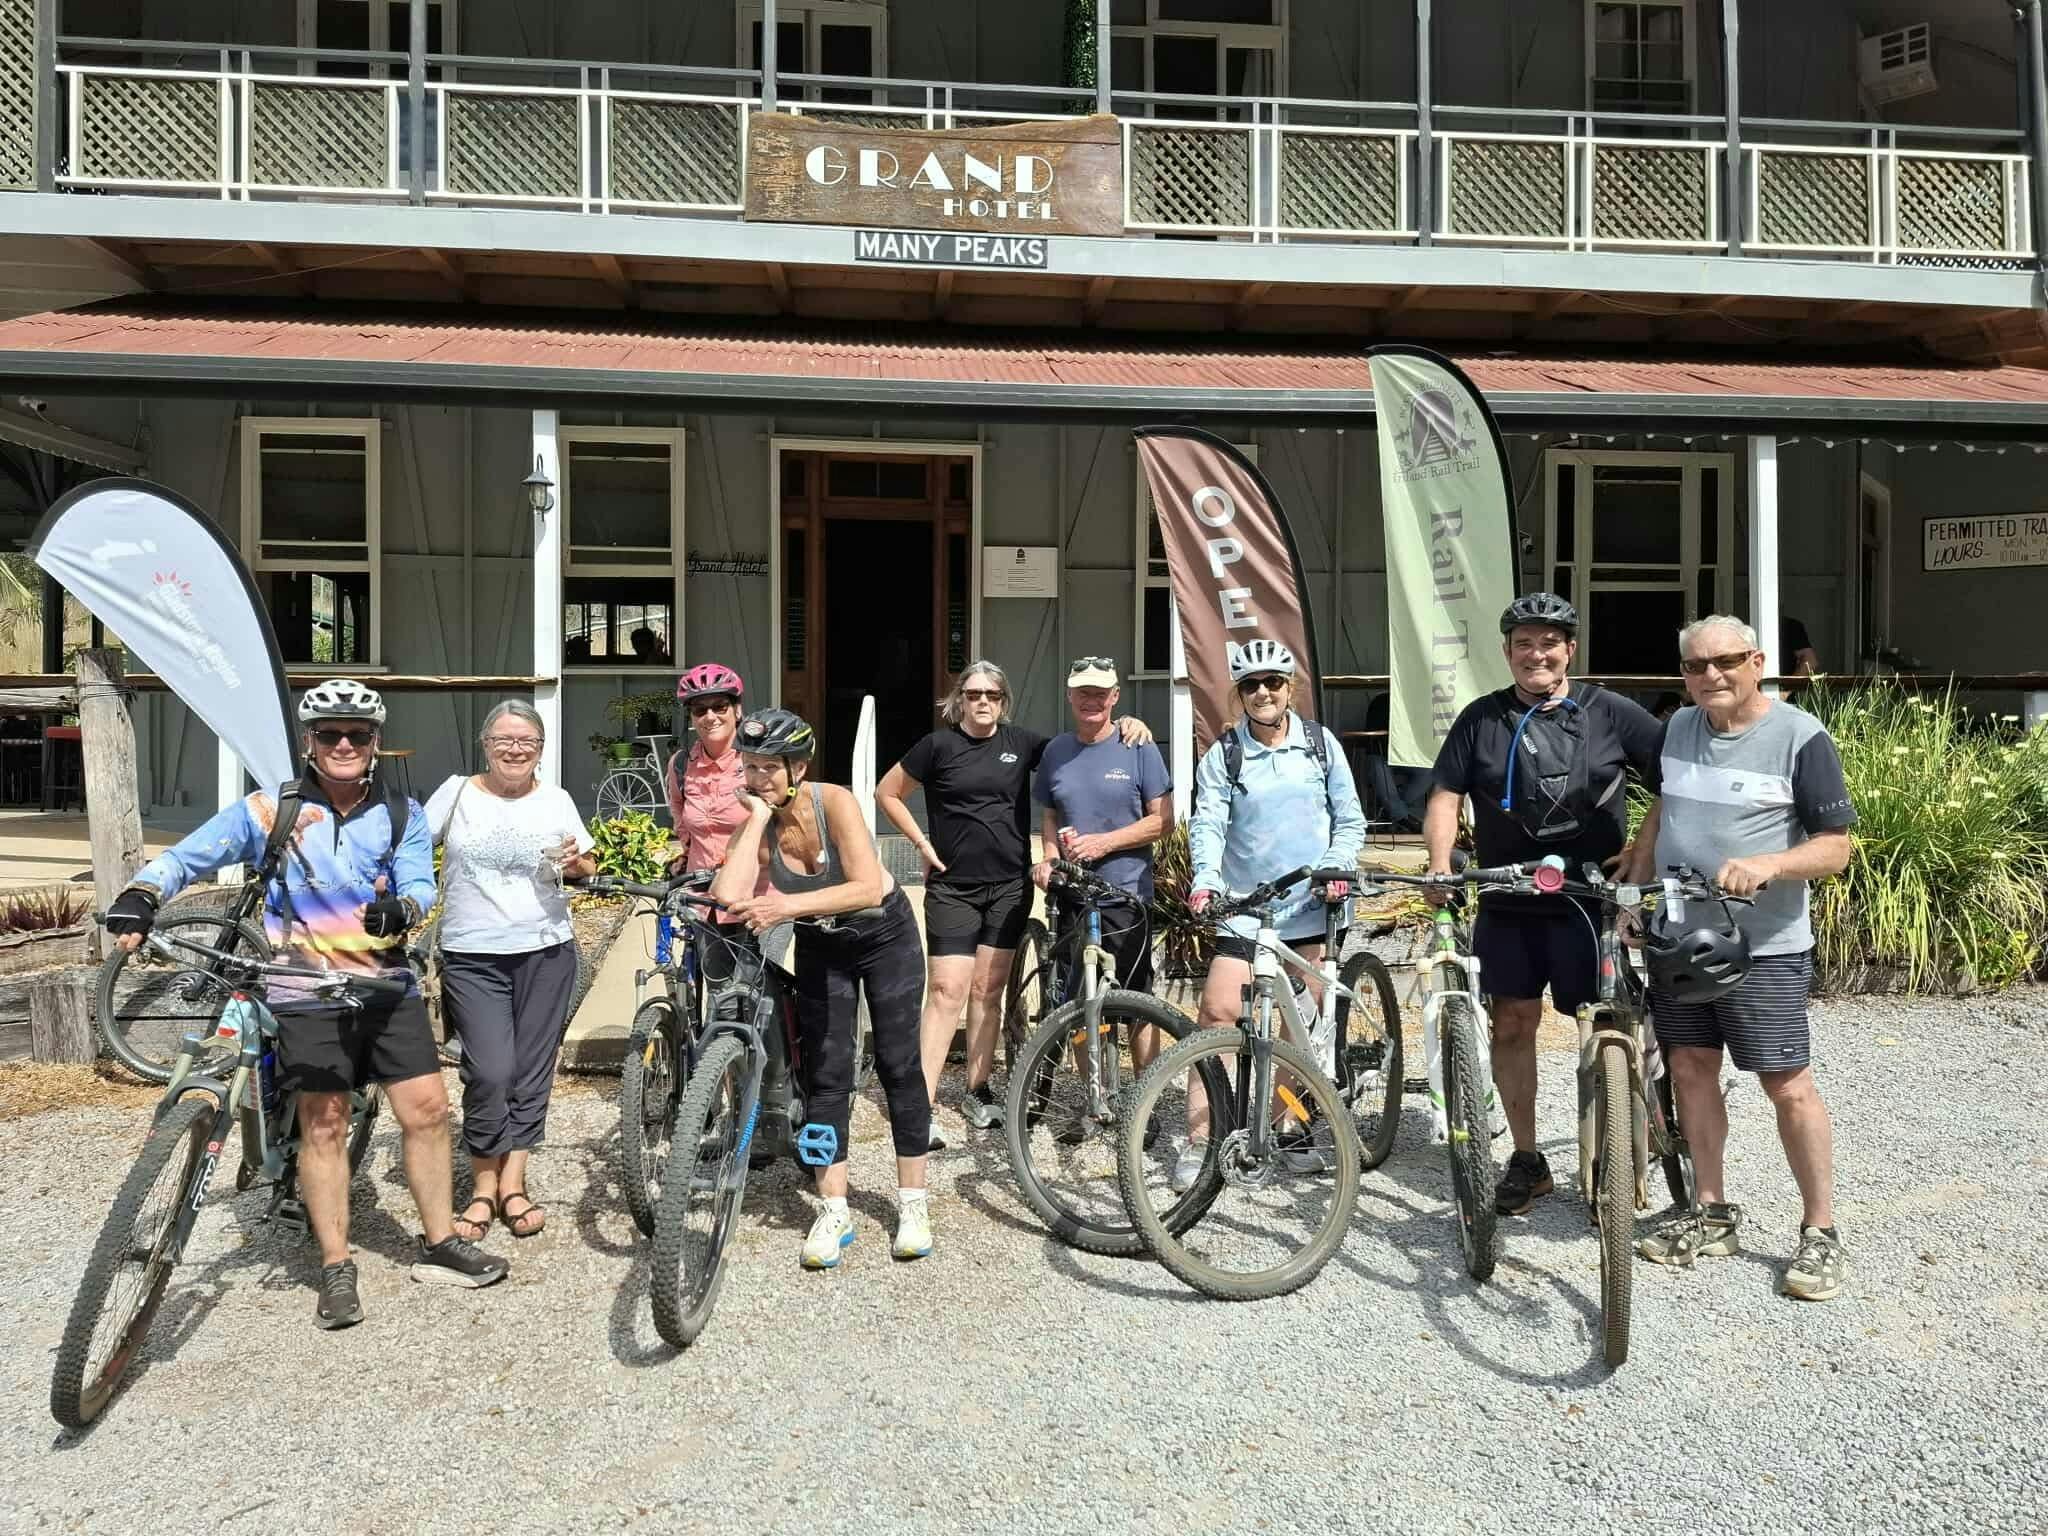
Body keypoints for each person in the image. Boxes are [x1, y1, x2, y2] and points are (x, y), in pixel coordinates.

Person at [103, 679, 508, 1330]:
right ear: (309, 743)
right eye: (330, 734)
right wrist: (144, 894)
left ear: (376, 743)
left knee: (429, 1110)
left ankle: (440, 1241)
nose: (344, 744)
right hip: (301, 986)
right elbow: (186, 857)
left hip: (382, 983)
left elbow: (420, 884)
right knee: (323, 1121)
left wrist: (401, 907)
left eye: (358, 734)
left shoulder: (400, 813)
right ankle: (336, 1264)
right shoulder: (271, 811)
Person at [1630, 616, 1856, 1301]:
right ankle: (1711, 1210)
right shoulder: (1677, 729)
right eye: (1696, 667)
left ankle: (1820, 1232)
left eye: (1726, 661)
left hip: (1762, 948)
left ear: (1758, 662)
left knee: (1787, 1085)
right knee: (1691, 1068)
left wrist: (1770, 863)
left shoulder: (1799, 737)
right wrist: (1632, 878)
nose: (1711, 676)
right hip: (1679, 935)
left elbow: (1836, 847)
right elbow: (1665, 806)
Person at [1425, 593, 1665, 1217]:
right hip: (1509, 896)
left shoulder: (1610, 710)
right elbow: (1446, 795)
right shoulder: (1481, 718)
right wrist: (1439, 863)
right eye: (1524, 643)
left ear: (1570, 650)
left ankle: (1616, 1151)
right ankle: (1528, 1158)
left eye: (1549, 642)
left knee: (1605, 1023)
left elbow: (1678, 777)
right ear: (1507, 652)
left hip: (1589, 899)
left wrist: (1643, 852)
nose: (1537, 654)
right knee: (1512, 1023)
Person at [877, 661, 1152, 1139]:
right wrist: (921, 845)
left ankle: (978, 1090)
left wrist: (1131, 724)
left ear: (1004, 702)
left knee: (988, 989)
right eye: (974, 693)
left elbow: (1084, 750)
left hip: (1007, 886)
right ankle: (918, 1104)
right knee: (946, 991)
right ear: (959, 698)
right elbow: (888, 792)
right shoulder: (937, 746)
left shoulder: (1023, 744)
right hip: (953, 887)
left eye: (993, 695)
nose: (983, 702)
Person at [710, 708, 934, 1267]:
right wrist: (756, 823)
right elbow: (726, 894)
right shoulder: (761, 817)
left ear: (798, 767)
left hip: (883, 933)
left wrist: (786, 903)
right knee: (827, 1073)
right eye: (750, 766)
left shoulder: (833, 801)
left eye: (769, 768)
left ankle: (913, 1202)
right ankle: (834, 1208)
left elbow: (862, 886)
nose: (758, 778)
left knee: (899, 1064)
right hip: (821, 943)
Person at [1180, 638, 1366, 1192]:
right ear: (1239, 694)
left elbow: (1349, 820)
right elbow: (1207, 822)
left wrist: (1335, 864)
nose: (1263, 692)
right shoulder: (1226, 754)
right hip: (1247, 908)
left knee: (1297, 1026)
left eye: (1274, 683)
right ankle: (1201, 1137)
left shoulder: (1319, 744)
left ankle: (1288, 1127)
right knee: (1214, 1015)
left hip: (1311, 903)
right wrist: (1206, 879)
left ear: (1290, 688)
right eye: (1251, 685)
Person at [426, 700, 596, 1244]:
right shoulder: (455, 794)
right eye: (504, 740)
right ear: (485, 744)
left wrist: (576, 865)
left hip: (546, 949)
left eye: (527, 741)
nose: (515, 749)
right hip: (472, 952)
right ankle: (481, 1185)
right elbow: (408, 850)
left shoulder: (557, 799)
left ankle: (513, 1182)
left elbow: (587, 869)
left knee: (530, 1069)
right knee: (490, 1070)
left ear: (541, 750)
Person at [1032, 655, 1173, 1029]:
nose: (1090, 700)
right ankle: (1091, 1089)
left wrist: (1104, 844)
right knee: (1080, 1005)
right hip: (1073, 896)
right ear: (1069, 696)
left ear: (1114, 696)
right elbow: (1049, 813)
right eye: (1083, 693)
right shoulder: (1056, 751)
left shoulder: (1138, 745)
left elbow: (1163, 821)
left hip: (1125, 896)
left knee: (1138, 1007)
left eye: (1099, 693)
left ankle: (1145, 1086)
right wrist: (1048, 856)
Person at [664, 662, 747, 874]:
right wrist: (686, 846)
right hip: (698, 891)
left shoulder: (757, 763)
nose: (710, 716)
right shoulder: (681, 764)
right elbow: (677, 804)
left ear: (737, 711)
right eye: (700, 710)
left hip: (750, 891)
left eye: (720, 706)